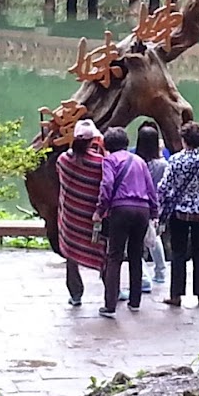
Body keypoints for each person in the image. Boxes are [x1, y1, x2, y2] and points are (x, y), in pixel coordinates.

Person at [94, 126, 159, 317]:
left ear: (107, 145)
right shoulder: (139, 161)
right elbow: (150, 188)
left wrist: (100, 210)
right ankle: (135, 301)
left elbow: (106, 185)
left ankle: (110, 304)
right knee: (136, 254)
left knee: (114, 256)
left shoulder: (109, 160)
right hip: (142, 210)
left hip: (121, 209)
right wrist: (154, 212)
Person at [158, 121, 199, 307]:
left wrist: (161, 207)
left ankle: (176, 295)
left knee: (178, 253)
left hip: (179, 214)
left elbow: (164, 187)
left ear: (184, 140)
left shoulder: (176, 160)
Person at [56, 119, 107, 307]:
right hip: (92, 219)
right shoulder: (100, 163)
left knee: (71, 254)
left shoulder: (63, 160)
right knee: (102, 253)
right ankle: (111, 292)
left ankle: (76, 294)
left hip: (70, 217)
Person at [134, 123, 169, 295]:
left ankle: (144, 278)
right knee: (154, 239)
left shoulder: (136, 162)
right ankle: (161, 271)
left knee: (135, 243)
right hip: (156, 208)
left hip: (138, 205)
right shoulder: (162, 165)